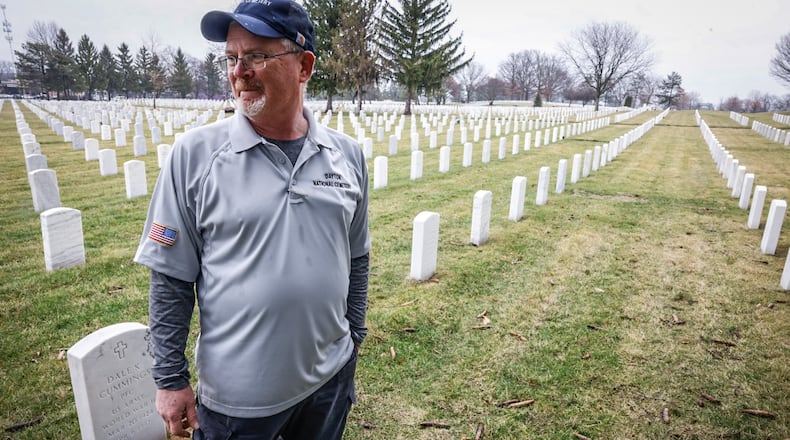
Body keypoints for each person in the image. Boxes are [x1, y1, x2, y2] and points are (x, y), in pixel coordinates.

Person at [133, 0, 371, 438]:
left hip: (329, 381)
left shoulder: (348, 156)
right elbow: (169, 277)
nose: (238, 71)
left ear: (304, 67)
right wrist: (170, 378)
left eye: (257, 56)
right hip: (238, 401)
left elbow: (357, 255)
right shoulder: (194, 157)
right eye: (231, 57)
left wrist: (354, 335)